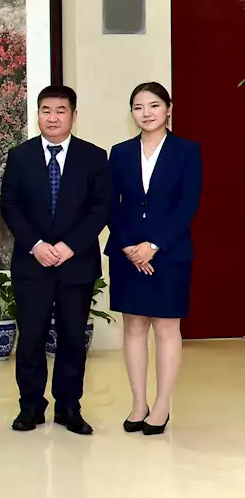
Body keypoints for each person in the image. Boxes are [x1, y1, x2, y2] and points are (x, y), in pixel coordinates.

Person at [0, 85, 110, 435]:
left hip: (75, 264)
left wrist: (68, 246)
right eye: (46, 110)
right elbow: (10, 206)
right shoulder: (20, 156)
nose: (52, 117)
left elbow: (100, 208)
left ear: (73, 116)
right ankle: (30, 407)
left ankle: (69, 408)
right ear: (38, 114)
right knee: (30, 337)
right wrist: (35, 245)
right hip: (32, 264)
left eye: (60, 111)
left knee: (72, 338)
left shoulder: (94, 157)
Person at [107, 82, 202, 436]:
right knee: (133, 326)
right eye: (138, 107)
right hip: (128, 254)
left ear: (168, 109)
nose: (146, 113)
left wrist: (154, 245)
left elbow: (187, 205)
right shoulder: (119, 152)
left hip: (170, 253)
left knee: (165, 328)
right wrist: (132, 247)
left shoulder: (186, 151)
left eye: (153, 106)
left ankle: (161, 406)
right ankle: (138, 403)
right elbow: (110, 204)